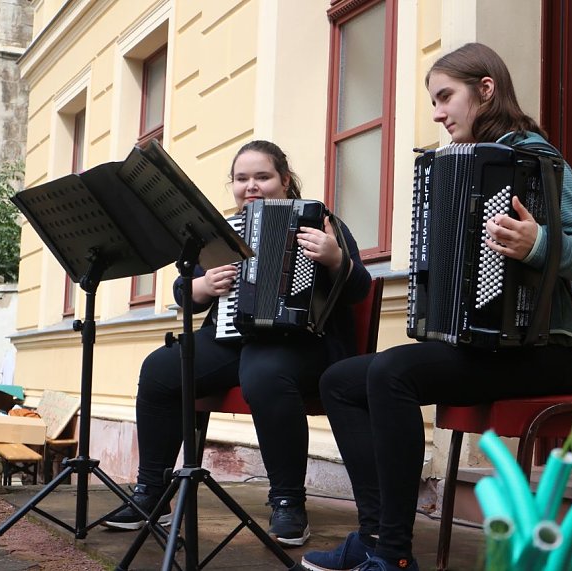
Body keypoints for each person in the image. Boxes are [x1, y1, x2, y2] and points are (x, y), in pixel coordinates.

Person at [301, 43, 572, 571]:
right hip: (489, 349)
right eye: (433, 102)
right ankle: (375, 536)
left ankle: (394, 556)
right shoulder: (458, 164)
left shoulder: (536, 157)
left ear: (485, 90)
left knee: (395, 372)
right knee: (339, 382)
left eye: (446, 97)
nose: (439, 113)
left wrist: (537, 243)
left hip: (546, 350)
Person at [102, 140, 372, 548]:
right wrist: (201, 286)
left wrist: (335, 258)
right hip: (231, 339)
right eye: (242, 179)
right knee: (160, 368)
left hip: (303, 343)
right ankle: (150, 492)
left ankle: (287, 502)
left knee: (264, 372)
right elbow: (182, 290)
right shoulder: (221, 232)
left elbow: (358, 290)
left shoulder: (321, 222)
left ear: (284, 180)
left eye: (262, 177)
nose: (251, 186)